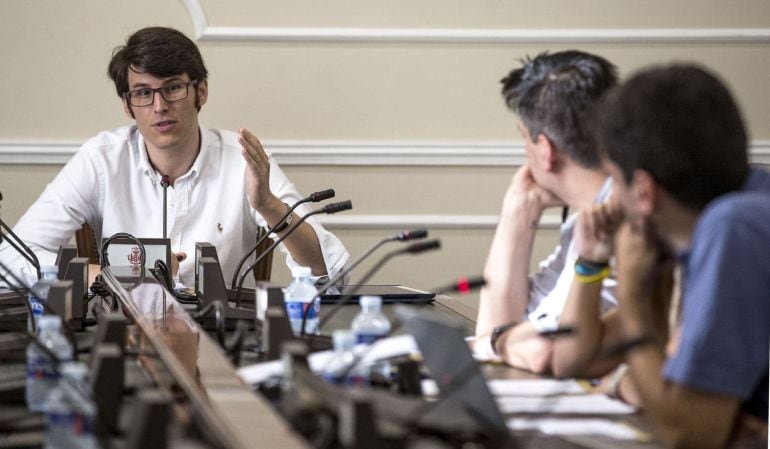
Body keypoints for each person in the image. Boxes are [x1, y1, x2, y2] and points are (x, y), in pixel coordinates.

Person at [0, 27, 349, 288]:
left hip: (225, 339)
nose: (159, 105)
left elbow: (329, 272)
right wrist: (114, 274)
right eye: (143, 93)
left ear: (201, 91)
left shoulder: (242, 159)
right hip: (125, 335)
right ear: (126, 105)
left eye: (172, 87)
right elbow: (11, 259)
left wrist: (269, 205)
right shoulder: (100, 160)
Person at [586, 64, 769, 448]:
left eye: (614, 181)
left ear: (644, 191)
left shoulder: (734, 228)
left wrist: (633, 297)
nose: (614, 203)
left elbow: (691, 434)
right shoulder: (753, 198)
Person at [474, 50, 618, 373]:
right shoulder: (583, 217)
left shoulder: (616, 223)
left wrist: (493, 342)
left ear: (545, 150)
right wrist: (517, 212)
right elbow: (508, 326)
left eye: (524, 138)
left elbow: (542, 349)